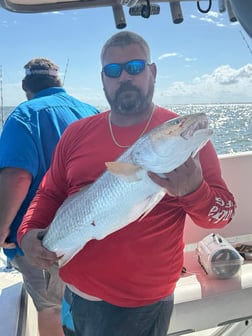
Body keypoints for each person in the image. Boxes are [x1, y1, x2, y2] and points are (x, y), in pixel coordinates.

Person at [17, 32, 236, 336]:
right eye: (113, 70)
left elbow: (222, 215)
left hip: (140, 307)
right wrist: (28, 232)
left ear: (152, 71)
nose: (124, 77)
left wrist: (194, 191)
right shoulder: (77, 133)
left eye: (134, 67)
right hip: (74, 293)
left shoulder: (188, 148)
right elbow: (49, 192)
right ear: (103, 79)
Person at [0, 57, 99, 336]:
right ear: (59, 82)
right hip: (90, 234)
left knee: (50, 307)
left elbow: (17, 176)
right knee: (85, 299)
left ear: (24, 85)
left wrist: (2, 228)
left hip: (44, 240)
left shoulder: (23, 115)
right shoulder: (92, 112)